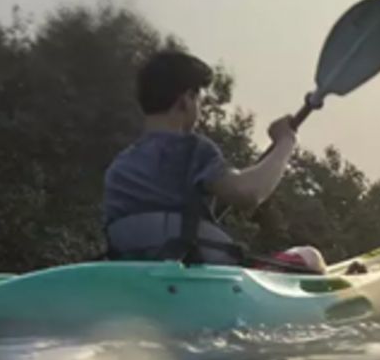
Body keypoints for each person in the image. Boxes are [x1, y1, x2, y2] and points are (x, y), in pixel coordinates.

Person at [102, 49, 326, 271]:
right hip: (195, 279)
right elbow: (249, 193)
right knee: (310, 257)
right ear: (186, 100)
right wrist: (285, 142)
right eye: (198, 97)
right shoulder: (191, 149)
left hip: (136, 279)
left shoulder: (120, 167)